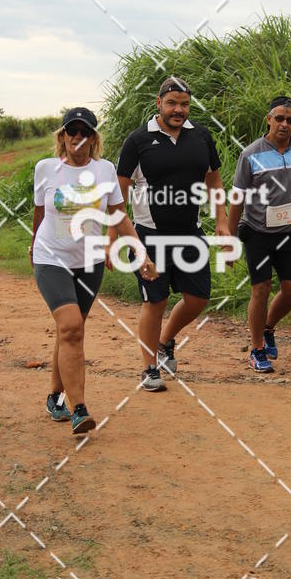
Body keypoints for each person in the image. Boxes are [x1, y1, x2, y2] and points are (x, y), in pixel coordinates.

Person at [30, 106, 158, 435]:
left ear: (93, 138)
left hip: (89, 262)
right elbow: (39, 213)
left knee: (69, 330)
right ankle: (79, 410)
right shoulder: (46, 169)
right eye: (71, 131)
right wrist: (33, 246)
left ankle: (55, 397)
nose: (77, 136)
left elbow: (118, 215)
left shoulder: (105, 170)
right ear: (62, 136)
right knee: (72, 327)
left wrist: (139, 250)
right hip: (51, 258)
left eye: (84, 131)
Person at [111, 77, 231, 392]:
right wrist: (117, 238)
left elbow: (214, 181)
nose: (179, 110)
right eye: (172, 103)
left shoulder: (201, 137)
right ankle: (149, 368)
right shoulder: (137, 141)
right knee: (156, 300)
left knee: (198, 298)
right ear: (159, 103)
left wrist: (221, 219)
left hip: (191, 234)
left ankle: (165, 341)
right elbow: (117, 196)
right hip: (150, 236)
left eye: (185, 104)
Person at [228, 95, 291, 373]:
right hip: (257, 231)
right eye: (280, 118)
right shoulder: (251, 154)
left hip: (289, 232)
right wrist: (229, 240)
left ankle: (268, 327)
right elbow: (237, 199)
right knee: (260, 289)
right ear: (269, 119)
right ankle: (257, 349)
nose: (285, 124)